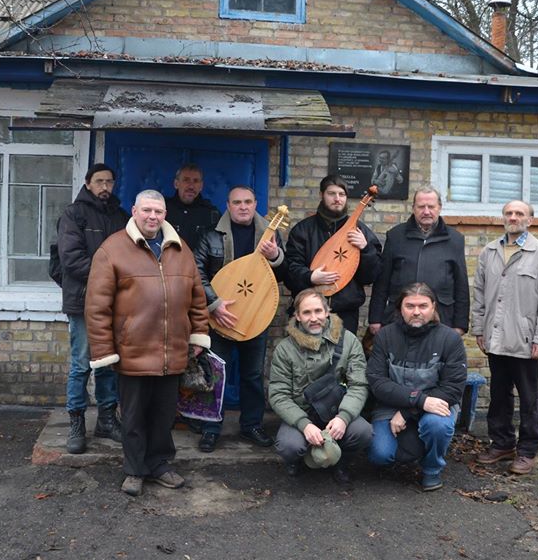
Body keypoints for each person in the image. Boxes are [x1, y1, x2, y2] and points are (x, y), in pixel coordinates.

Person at [85, 190, 211, 496]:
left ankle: (160, 465)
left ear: (165, 214)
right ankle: (134, 470)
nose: (152, 216)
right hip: (133, 351)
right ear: (134, 211)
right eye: (147, 210)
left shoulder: (180, 248)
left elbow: (197, 296)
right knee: (133, 416)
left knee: (164, 415)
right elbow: (97, 307)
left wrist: (198, 333)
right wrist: (104, 351)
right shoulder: (112, 250)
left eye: (158, 211)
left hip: (172, 351)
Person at [192, 185, 287, 453]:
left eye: (247, 201)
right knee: (215, 373)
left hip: (255, 317)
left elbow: (281, 276)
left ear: (255, 204)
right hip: (220, 316)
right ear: (228, 205)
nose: (243, 207)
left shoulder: (270, 234)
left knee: (252, 374)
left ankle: (251, 425)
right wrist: (214, 304)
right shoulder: (211, 234)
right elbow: (196, 272)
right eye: (237, 202)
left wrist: (275, 256)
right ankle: (211, 428)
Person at [472, 200, 538, 476]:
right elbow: (479, 294)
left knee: (529, 398)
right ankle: (502, 444)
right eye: (508, 213)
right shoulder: (489, 252)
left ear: (530, 220)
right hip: (496, 338)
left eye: (519, 213)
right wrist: (479, 329)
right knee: (499, 395)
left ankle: (527, 451)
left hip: (525, 341)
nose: (513, 217)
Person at [55, 163, 129, 455]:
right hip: (83, 301)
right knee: (81, 364)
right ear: (88, 184)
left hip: (114, 303)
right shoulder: (74, 215)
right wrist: (110, 276)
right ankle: (76, 423)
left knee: (109, 362)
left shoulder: (121, 217)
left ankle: (107, 420)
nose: (105, 187)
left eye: (109, 182)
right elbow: (71, 259)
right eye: (99, 181)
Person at [366, 283, 468, 491]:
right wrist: (418, 400)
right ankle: (413, 450)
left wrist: (409, 410)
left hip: (436, 406)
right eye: (410, 306)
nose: (416, 312)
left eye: (423, 306)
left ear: (433, 307)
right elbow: (377, 382)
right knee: (380, 454)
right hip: (391, 407)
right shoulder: (385, 336)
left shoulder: (450, 339)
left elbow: (453, 387)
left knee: (437, 426)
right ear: (400, 308)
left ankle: (432, 469)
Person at [268, 289, 372, 485]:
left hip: (336, 411)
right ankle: (296, 461)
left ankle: (342, 463)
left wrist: (344, 417)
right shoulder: (285, 349)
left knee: (363, 432)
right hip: (302, 412)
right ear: (297, 316)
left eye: (318, 311)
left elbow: (358, 384)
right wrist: (304, 424)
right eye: (306, 312)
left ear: (327, 311)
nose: (314, 318)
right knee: (289, 446)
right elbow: (278, 395)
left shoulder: (349, 341)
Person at [284, 175, 382, 334]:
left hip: (345, 314)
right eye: (332, 193)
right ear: (321, 195)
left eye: (342, 194)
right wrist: (310, 277)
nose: (337, 199)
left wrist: (366, 249)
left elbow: (370, 276)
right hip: (308, 312)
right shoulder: (303, 230)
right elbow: (290, 271)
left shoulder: (360, 231)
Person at [368, 185, 469, 335]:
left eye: (431, 207)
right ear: (413, 208)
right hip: (399, 318)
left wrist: (460, 324)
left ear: (439, 208)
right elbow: (382, 281)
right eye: (421, 207)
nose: (426, 211)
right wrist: (375, 318)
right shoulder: (396, 236)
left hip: (441, 318)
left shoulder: (455, 239)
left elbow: (461, 286)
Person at [164, 163, 222, 251]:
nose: (191, 186)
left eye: (195, 181)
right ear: (176, 184)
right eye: (186, 180)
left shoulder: (212, 213)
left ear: (201, 186)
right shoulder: (163, 210)